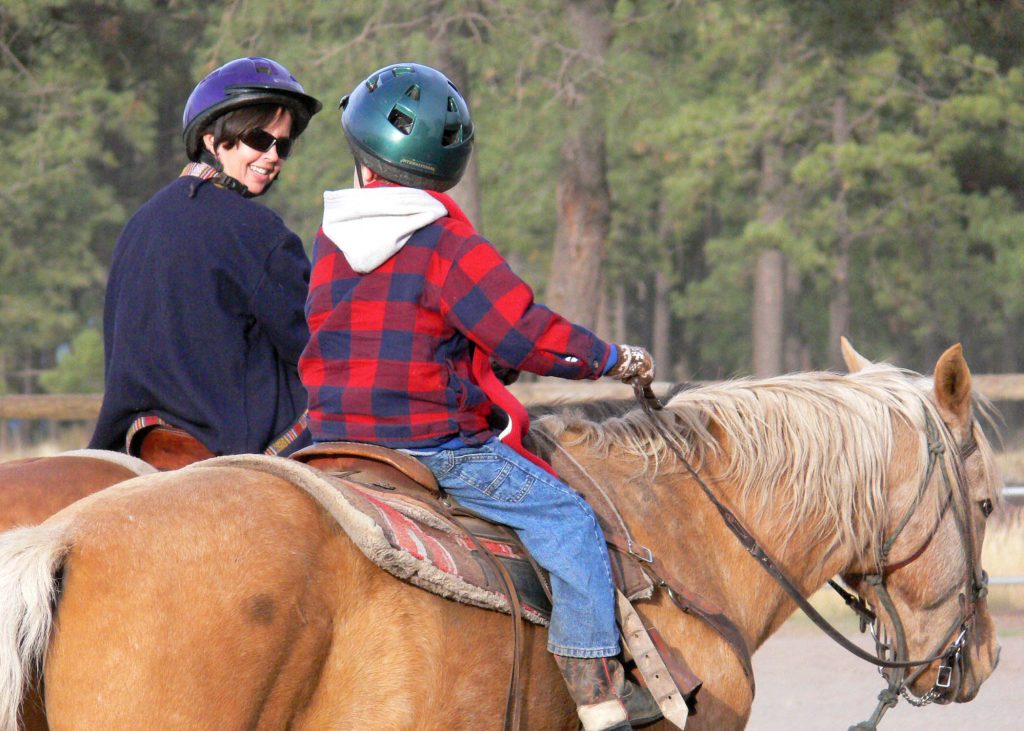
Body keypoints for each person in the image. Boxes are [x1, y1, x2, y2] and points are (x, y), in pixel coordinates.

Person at [300, 62, 661, 731]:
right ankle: (598, 695)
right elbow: (524, 335)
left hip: (328, 436)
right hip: (433, 447)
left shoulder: (327, 241)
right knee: (570, 523)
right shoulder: (447, 242)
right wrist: (615, 358)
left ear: (364, 160)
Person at [89, 57, 322, 461]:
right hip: (225, 449)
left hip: (126, 443)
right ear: (213, 140)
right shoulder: (258, 230)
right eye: (258, 139)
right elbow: (313, 342)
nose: (272, 156)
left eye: (282, 145)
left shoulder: (139, 222)